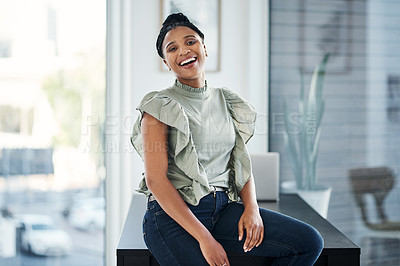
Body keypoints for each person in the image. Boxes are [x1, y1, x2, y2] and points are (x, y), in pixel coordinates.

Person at [130, 13, 323, 266]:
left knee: (308, 242)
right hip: (174, 218)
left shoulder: (227, 100)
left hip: (223, 209)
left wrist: (251, 209)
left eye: (190, 42)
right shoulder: (159, 106)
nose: (184, 51)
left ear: (204, 48)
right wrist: (204, 238)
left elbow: (239, 161)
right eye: (172, 48)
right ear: (166, 62)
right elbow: (156, 180)